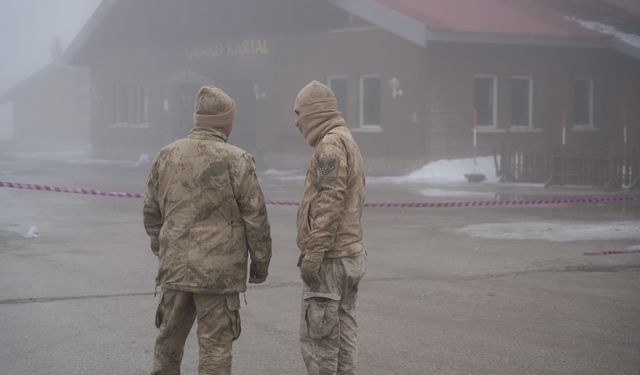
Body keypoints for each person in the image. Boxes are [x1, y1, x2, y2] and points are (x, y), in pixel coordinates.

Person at [143, 86, 272, 375]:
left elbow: (151, 212)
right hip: (219, 275)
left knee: (168, 344)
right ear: (226, 122)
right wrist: (260, 263)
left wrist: (163, 249)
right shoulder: (237, 160)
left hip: (175, 269)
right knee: (215, 348)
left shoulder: (165, 155)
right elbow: (256, 218)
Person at [293, 80, 366, 374]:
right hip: (350, 255)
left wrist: (314, 253)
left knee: (319, 343)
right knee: (343, 331)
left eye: (299, 113)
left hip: (332, 260)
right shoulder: (346, 138)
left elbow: (330, 200)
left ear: (314, 113)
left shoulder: (330, 145)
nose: (296, 122)